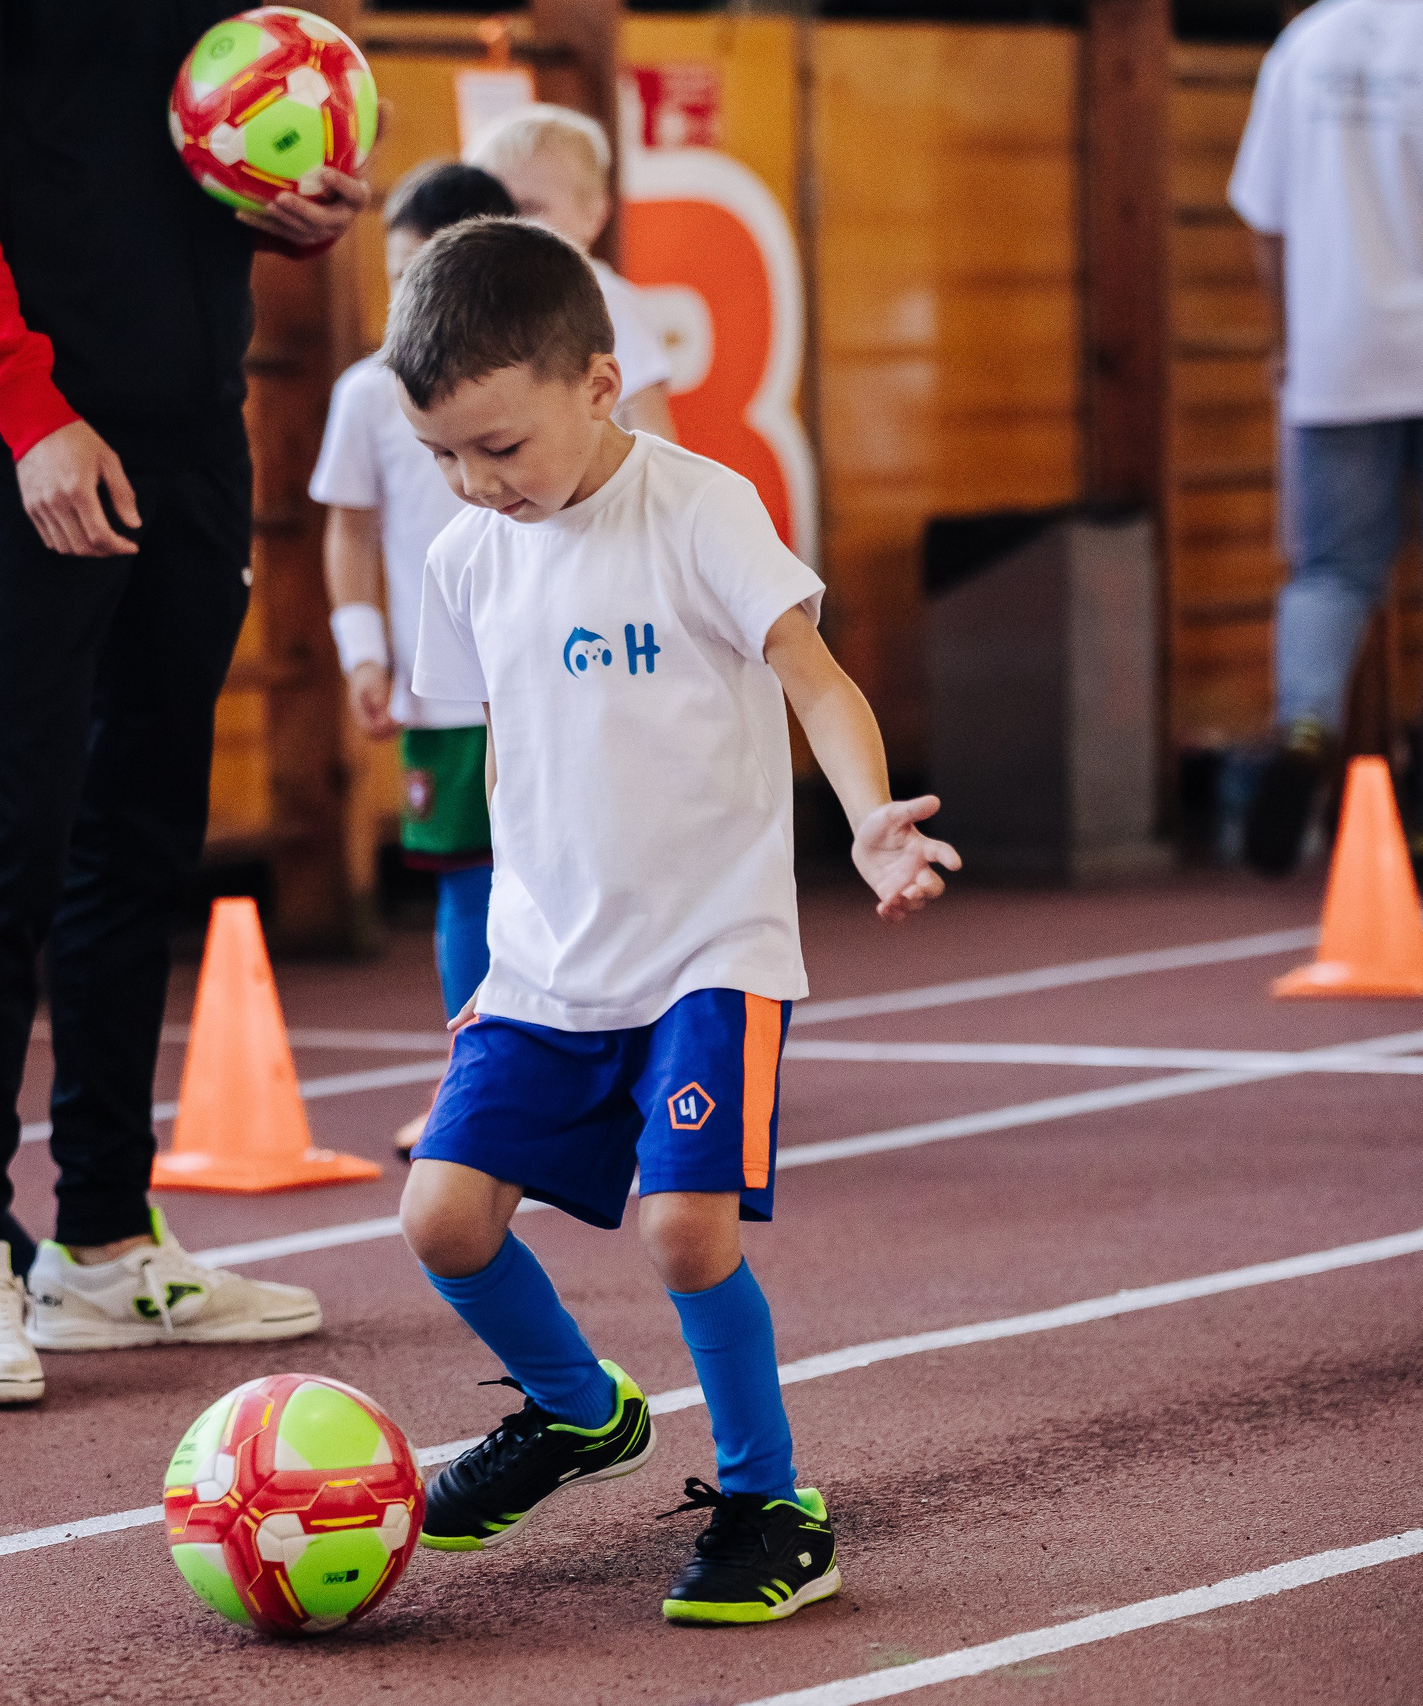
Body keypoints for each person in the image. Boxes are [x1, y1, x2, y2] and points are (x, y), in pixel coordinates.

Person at [383, 218, 958, 1621]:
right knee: (442, 1218)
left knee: (684, 1234)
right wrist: (503, 949)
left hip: (711, 946)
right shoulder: (469, 559)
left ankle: (772, 1503)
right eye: (444, 454)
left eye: (501, 447)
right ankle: (578, 1410)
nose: (475, 482)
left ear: (599, 385)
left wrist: (866, 820)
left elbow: (814, 678)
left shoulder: (701, 509)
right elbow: (518, 751)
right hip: (547, 965)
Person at [0, 3, 374, 1405]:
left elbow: (205, 152)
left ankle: (103, 1236)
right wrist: (26, 410)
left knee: (145, 832)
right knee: (6, 842)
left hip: (190, 423)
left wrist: (305, 210)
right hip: (23, 437)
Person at [311, 160, 518, 1160]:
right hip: (441, 684)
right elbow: (349, 528)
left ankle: (612, 1074)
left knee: (575, 873)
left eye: (430, 273)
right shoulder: (364, 395)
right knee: (465, 883)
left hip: (554, 674)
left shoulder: (545, 392)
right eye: (396, 275)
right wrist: (363, 649)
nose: (409, 298)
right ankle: (471, 1085)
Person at [1228, 0, 1423, 876]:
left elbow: (1268, 216)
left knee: (1330, 573)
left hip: (1334, 357)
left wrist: (1289, 340)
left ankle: (1303, 723)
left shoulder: (1306, 42)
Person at [467, 105, 679, 441]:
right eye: (495, 210)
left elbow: (654, 435)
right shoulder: (481, 302)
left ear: (593, 214)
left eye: (530, 208)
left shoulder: (610, 302)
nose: (510, 226)